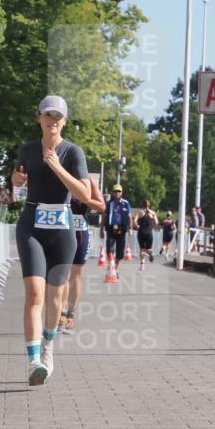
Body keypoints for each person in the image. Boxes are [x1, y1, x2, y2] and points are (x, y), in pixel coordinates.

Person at [12, 95, 92, 386]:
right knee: (34, 294)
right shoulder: (28, 149)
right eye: (48, 115)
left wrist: (57, 167)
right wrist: (16, 182)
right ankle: (33, 361)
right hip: (31, 225)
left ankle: (48, 346)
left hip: (62, 229)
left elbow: (85, 194)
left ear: (65, 121)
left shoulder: (73, 152)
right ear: (39, 118)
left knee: (55, 299)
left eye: (58, 116)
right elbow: (18, 184)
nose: (53, 120)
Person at [58, 175, 106, 332]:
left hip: (79, 230)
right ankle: (60, 313)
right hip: (61, 228)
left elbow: (101, 206)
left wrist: (84, 197)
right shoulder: (58, 171)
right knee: (61, 274)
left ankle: (70, 315)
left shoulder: (87, 179)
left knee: (75, 276)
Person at [102, 184, 132, 278]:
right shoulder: (109, 203)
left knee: (120, 253)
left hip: (121, 229)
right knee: (109, 250)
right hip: (111, 228)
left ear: (122, 192)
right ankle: (111, 267)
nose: (117, 193)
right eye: (115, 191)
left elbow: (129, 216)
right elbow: (105, 216)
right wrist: (101, 229)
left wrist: (130, 228)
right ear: (113, 192)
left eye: (119, 191)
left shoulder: (126, 203)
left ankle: (115, 268)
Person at [133, 199, 158, 270]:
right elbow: (156, 222)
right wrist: (153, 226)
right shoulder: (153, 213)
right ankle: (150, 253)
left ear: (142, 204)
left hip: (141, 232)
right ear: (149, 205)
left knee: (142, 249)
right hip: (149, 233)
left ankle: (142, 266)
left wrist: (136, 225)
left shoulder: (139, 212)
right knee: (149, 249)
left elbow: (134, 221)